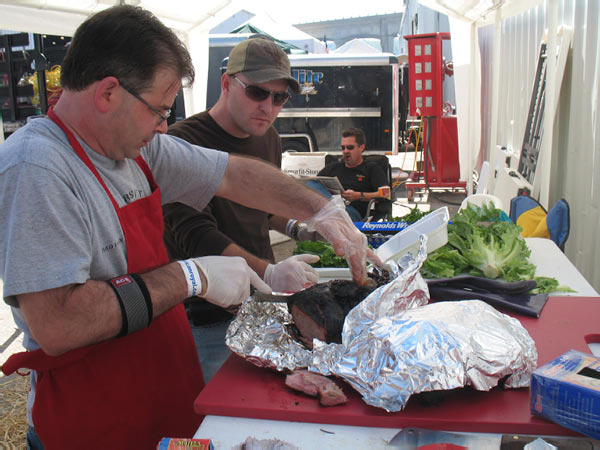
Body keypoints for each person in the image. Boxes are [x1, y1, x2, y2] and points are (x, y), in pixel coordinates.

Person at [0, 6, 377, 449]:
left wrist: (321, 209)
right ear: (108, 94)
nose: (164, 125)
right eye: (158, 110)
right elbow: (59, 322)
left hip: (159, 392)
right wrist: (190, 276)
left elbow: (235, 174)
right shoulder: (38, 167)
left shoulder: (137, 151)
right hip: (92, 419)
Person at [163, 37, 322, 382]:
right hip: (207, 315)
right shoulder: (183, 143)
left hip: (261, 308)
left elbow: (263, 207)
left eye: (279, 97)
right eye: (257, 93)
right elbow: (195, 235)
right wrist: (268, 273)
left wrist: (298, 227)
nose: (268, 106)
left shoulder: (269, 138)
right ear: (226, 83)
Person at [310, 128, 390, 221]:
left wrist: (359, 195)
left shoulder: (371, 168)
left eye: (350, 147)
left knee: (333, 216)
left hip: (350, 211)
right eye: (343, 148)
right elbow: (313, 185)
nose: (345, 151)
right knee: (310, 185)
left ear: (361, 148)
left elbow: (386, 194)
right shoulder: (333, 167)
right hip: (327, 208)